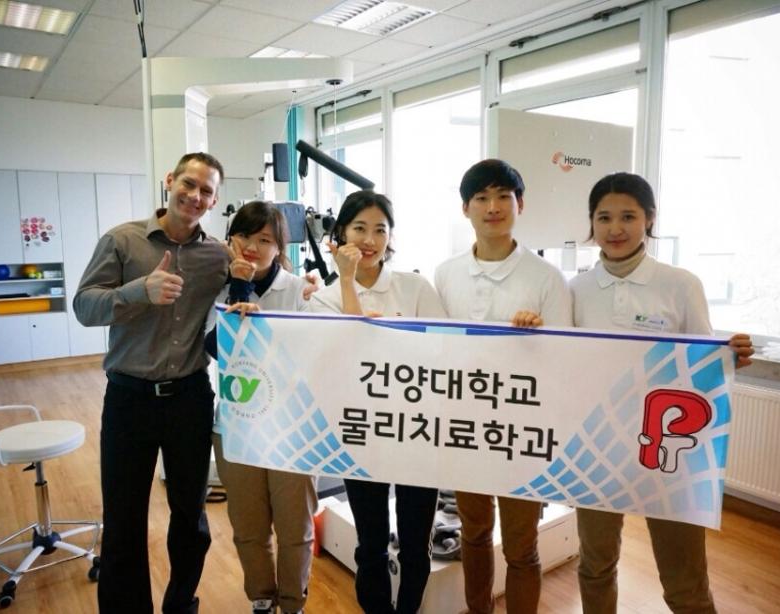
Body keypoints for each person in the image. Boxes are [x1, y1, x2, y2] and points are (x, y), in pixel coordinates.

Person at [569, 171, 754, 614]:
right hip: (598, 448)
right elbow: (562, 364)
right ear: (591, 222)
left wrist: (729, 357)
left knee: (685, 583)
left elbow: (701, 362)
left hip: (670, 449)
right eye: (604, 217)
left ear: (649, 218)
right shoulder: (574, 289)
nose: (615, 228)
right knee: (595, 566)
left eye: (628, 216)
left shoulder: (681, 283)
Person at [73, 152, 230, 614]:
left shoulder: (217, 255)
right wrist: (138, 291)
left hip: (189, 399)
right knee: (123, 521)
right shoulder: (122, 241)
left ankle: (181, 603)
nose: (195, 196)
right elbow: (84, 307)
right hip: (130, 398)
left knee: (190, 517)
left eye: (206, 191)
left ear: (214, 200)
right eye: (189, 183)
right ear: (170, 181)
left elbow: (253, 280)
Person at [434, 158, 572, 614]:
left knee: (521, 545)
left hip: (522, 430)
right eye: (481, 198)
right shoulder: (446, 273)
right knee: (473, 534)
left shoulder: (546, 277)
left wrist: (538, 336)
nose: (492, 207)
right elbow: (436, 347)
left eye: (502, 197)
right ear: (466, 208)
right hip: (466, 426)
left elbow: (566, 357)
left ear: (520, 204)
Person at [310, 190, 446, 614]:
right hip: (361, 432)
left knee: (416, 543)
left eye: (380, 230)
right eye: (359, 228)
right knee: (370, 542)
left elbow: (444, 350)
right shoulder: (324, 298)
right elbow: (344, 355)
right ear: (340, 233)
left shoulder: (414, 287)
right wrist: (346, 281)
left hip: (417, 431)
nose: (370, 240)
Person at [204, 201, 317, 614]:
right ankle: (261, 597)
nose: (252, 247)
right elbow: (216, 349)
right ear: (230, 239)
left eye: (265, 239)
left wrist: (261, 329)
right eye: (244, 236)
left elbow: (311, 355)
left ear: (279, 247)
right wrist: (238, 289)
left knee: (295, 526)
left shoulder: (299, 290)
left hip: (292, 427)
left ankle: (293, 602)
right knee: (248, 525)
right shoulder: (218, 287)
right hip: (238, 425)